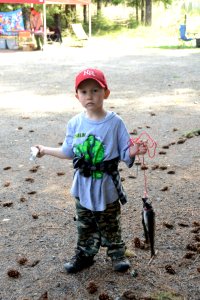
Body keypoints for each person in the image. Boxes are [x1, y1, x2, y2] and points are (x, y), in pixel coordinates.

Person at [34, 68, 147, 273]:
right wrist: (45, 150)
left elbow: (124, 152)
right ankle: (85, 254)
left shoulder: (115, 122)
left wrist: (134, 151)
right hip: (83, 184)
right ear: (76, 96)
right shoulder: (75, 123)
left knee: (110, 221)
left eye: (95, 90)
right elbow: (68, 151)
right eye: (84, 92)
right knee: (85, 223)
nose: (90, 96)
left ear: (106, 93)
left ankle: (117, 254)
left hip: (106, 184)